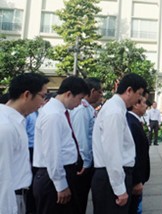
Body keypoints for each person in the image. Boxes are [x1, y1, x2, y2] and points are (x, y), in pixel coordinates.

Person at [91, 73, 147, 214]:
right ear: (129, 90)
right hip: (110, 180)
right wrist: (119, 189)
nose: (139, 98)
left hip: (112, 177)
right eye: (138, 94)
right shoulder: (114, 112)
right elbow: (112, 153)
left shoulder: (117, 109)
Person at [33, 76, 90, 214]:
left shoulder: (60, 112)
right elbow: (52, 153)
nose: (79, 103)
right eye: (79, 98)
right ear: (68, 94)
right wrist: (61, 185)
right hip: (52, 177)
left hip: (60, 173)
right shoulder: (53, 115)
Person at [0, 73, 48, 214]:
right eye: (42, 96)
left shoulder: (16, 121)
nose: (43, 102)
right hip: (9, 199)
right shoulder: (6, 126)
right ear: (27, 95)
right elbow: (2, 176)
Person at [70, 78, 103, 213]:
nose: (101, 95)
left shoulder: (88, 108)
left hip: (86, 160)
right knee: (79, 198)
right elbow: (81, 138)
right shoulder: (82, 110)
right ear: (92, 91)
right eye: (99, 92)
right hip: (82, 162)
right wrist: (86, 162)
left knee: (82, 198)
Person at [126, 92, 151, 214]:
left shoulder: (134, 121)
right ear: (136, 104)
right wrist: (136, 181)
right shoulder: (132, 123)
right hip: (135, 178)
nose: (146, 106)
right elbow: (134, 154)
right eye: (144, 103)